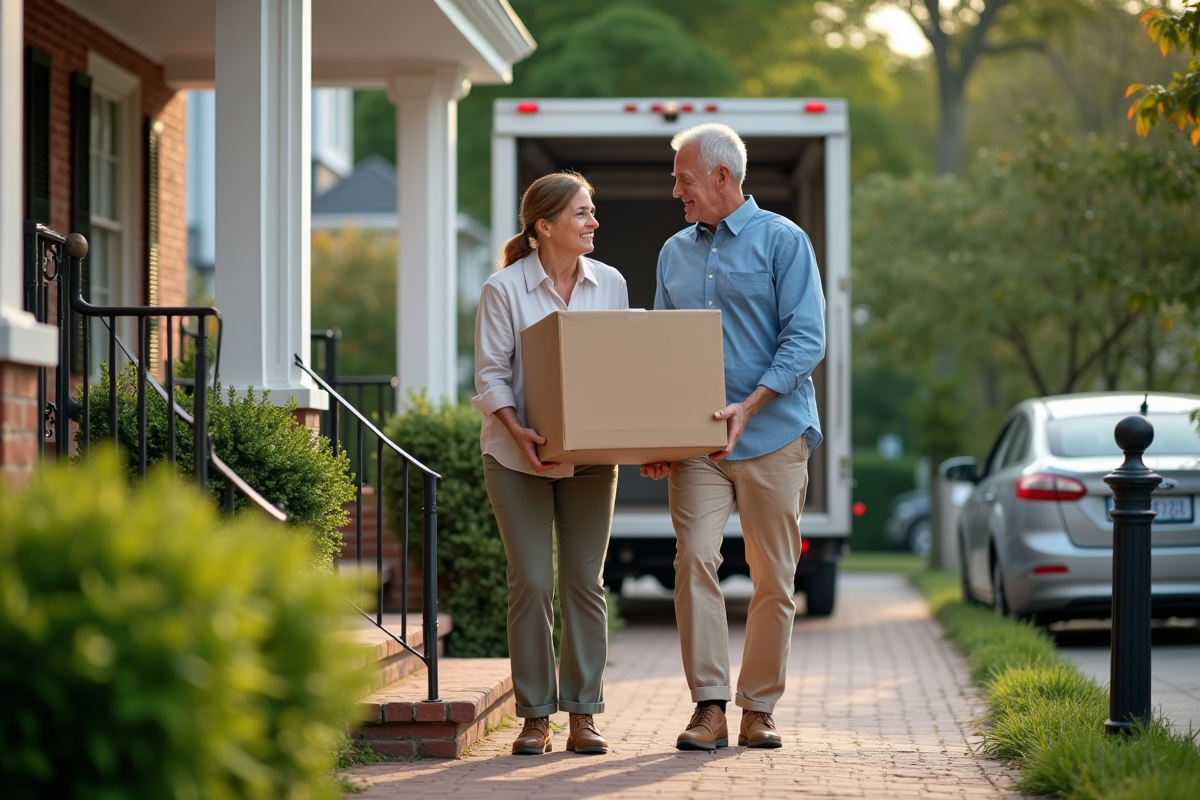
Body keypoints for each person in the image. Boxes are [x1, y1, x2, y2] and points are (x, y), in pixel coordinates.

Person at [641, 123, 826, 751]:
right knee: (694, 558)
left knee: (774, 577)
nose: (676, 192)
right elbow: (661, 349)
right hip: (697, 446)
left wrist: (749, 406)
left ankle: (759, 708)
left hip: (773, 434)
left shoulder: (784, 240)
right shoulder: (673, 252)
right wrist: (660, 435)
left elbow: (806, 338)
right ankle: (710, 706)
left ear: (722, 176)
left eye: (683, 180)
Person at [473, 172, 628, 756]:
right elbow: (491, 374)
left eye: (591, 211)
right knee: (533, 581)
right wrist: (519, 432)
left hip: (589, 459)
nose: (594, 222)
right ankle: (535, 716)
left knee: (584, 582)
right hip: (517, 457)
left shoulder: (610, 284)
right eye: (581, 213)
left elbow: (620, 370)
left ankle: (583, 714)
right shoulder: (504, 290)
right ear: (544, 225)